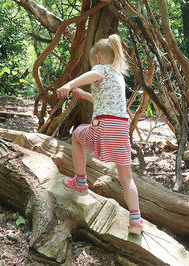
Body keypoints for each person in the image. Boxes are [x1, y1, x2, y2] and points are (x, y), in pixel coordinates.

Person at [55, 34, 143, 234]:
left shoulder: (100, 69)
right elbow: (105, 102)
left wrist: (69, 85)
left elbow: (92, 76)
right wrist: (84, 95)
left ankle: (80, 182)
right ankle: (136, 220)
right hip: (121, 128)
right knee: (126, 176)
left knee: (77, 135)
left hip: (104, 125)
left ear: (97, 59)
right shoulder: (118, 77)